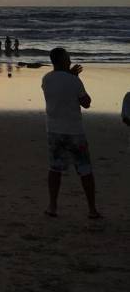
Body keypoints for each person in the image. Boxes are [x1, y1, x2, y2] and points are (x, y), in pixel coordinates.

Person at [41, 47, 101, 219]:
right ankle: (92, 209)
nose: (69, 59)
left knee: (55, 169)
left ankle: (52, 206)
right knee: (85, 170)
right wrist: (73, 77)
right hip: (74, 131)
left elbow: (59, 90)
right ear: (62, 60)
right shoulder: (74, 81)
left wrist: (70, 75)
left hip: (54, 130)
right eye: (67, 57)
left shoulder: (46, 79)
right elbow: (86, 102)